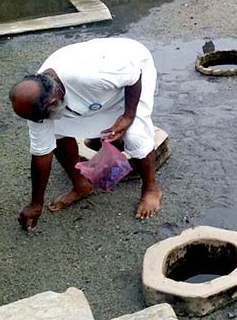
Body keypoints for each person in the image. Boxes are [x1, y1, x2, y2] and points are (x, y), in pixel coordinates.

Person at [9, 38, 162, 230]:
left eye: (41, 119)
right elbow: (42, 153)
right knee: (57, 133)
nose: (38, 124)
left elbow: (133, 76)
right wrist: (35, 203)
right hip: (94, 95)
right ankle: (81, 185)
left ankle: (151, 189)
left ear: (54, 102)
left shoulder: (90, 75)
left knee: (135, 135)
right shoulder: (36, 104)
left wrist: (128, 115)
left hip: (131, 74)